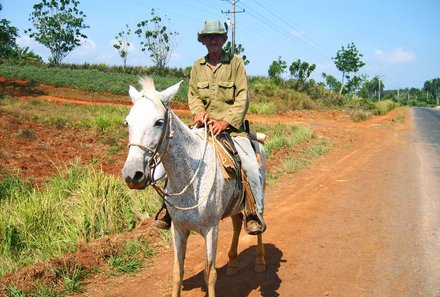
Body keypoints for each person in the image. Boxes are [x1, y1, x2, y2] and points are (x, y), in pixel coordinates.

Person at [155, 19, 265, 235]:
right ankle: (167, 209)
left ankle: (253, 212)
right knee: (173, 156)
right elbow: (193, 95)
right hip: (203, 127)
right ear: (203, 41)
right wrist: (198, 112)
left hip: (232, 130)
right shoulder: (197, 66)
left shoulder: (236, 63)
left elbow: (242, 97)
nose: (213, 40)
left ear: (224, 39)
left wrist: (225, 121)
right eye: (208, 36)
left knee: (251, 166)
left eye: (217, 36)